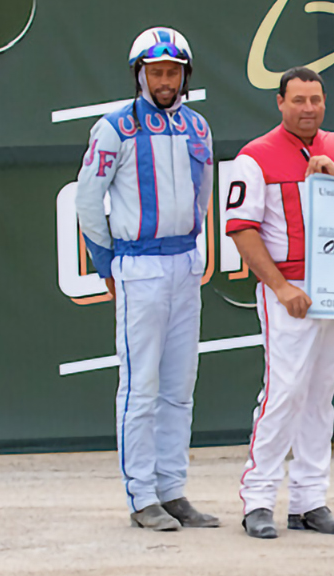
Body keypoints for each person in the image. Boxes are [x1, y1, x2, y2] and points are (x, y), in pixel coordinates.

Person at [226, 66, 334, 539]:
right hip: (289, 290)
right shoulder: (255, 157)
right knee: (285, 392)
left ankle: (309, 500)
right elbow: (241, 229)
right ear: (280, 102)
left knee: (320, 394)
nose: (308, 108)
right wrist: (279, 287)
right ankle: (257, 499)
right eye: (298, 100)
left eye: (315, 99)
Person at [75, 27, 218, 531]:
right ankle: (141, 496)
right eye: (155, 72)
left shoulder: (198, 127)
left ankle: (172, 490)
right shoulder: (115, 128)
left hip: (183, 264)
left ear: (185, 76)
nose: (164, 81)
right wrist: (107, 264)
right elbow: (88, 201)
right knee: (141, 386)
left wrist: (197, 253)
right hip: (139, 265)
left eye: (172, 72)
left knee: (180, 387)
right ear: (140, 75)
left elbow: (204, 195)